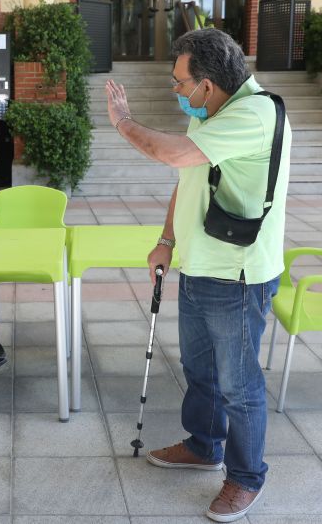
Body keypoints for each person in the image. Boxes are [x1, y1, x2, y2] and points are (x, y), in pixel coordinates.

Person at [106, 29, 291, 523]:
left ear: (207, 85)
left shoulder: (254, 114)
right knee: (200, 368)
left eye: (179, 82)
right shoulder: (215, 115)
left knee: (239, 383)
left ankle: (245, 477)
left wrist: (123, 123)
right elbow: (187, 180)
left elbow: (170, 154)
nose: (175, 90)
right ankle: (204, 445)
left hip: (238, 275)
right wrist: (166, 241)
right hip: (200, 265)